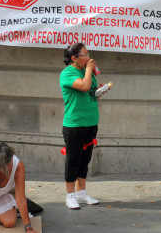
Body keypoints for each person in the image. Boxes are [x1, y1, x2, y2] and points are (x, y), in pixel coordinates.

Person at [60, 43, 102, 209]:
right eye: (84, 54)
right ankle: (70, 196)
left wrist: (99, 91)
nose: (88, 57)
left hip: (90, 121)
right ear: (74, 58)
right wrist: (89, 70)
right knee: (73, 160)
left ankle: (81, 193)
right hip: (74, 124)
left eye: (88, 53)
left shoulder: (87, 72)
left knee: (85, 160)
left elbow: (90, 92)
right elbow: (84, 86)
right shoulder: (68, 73)